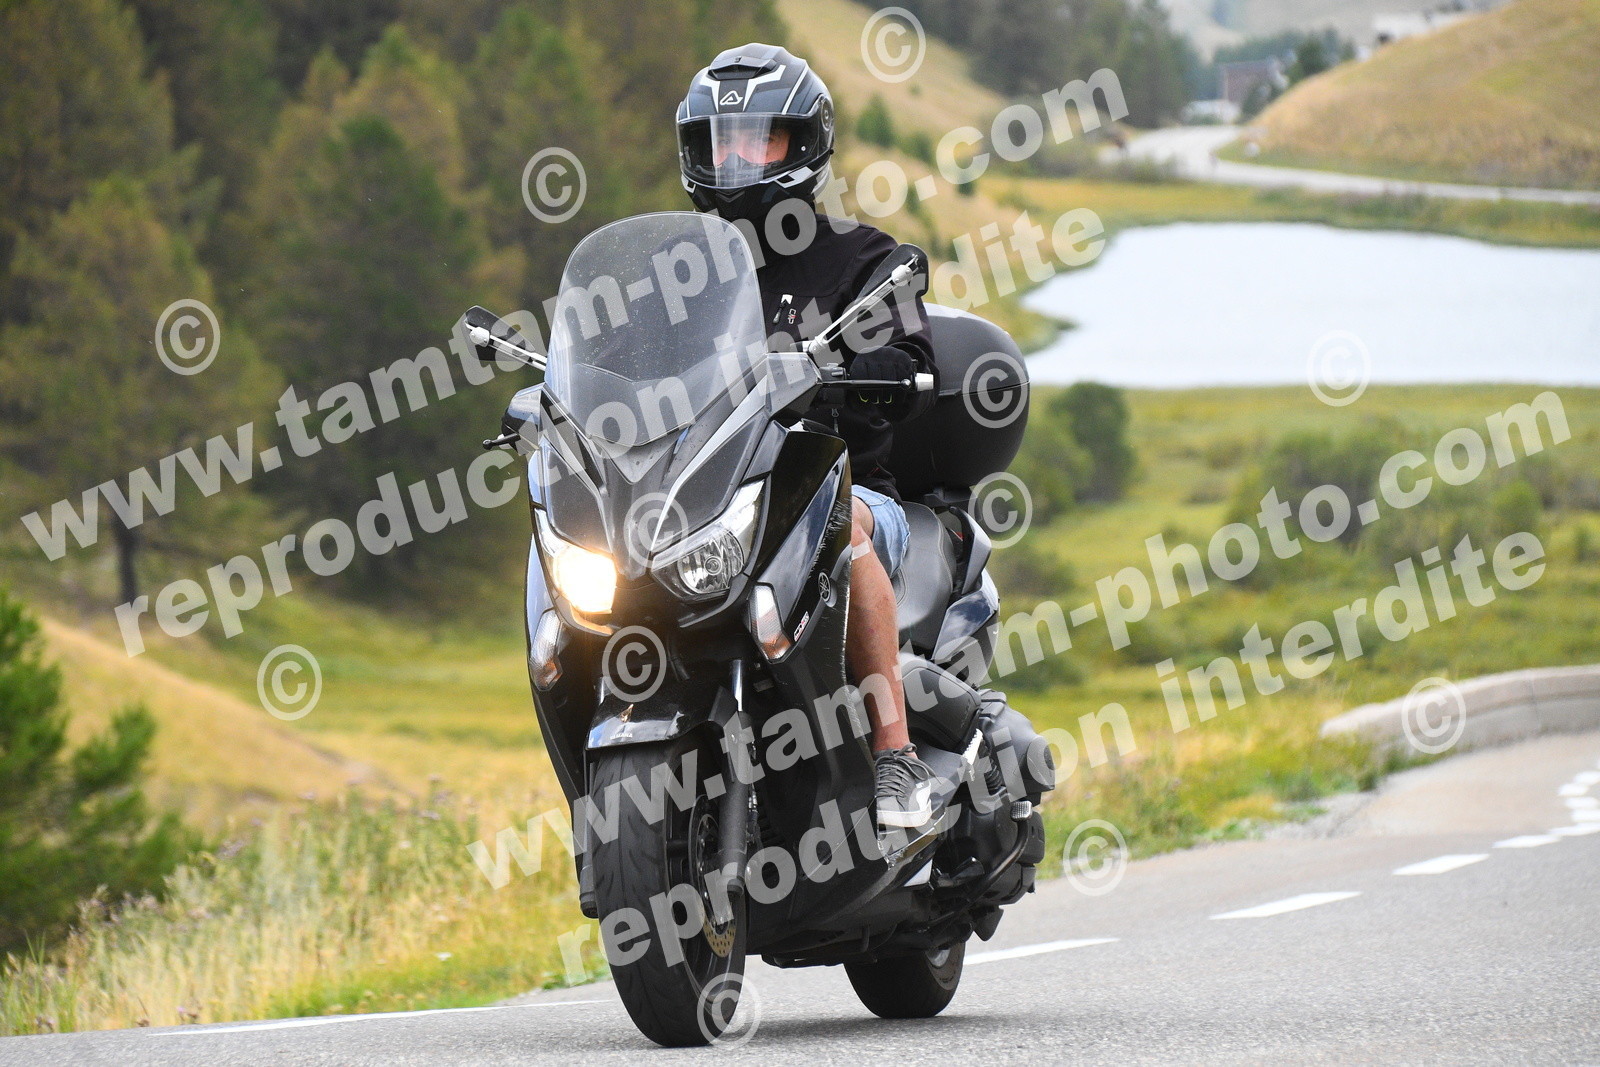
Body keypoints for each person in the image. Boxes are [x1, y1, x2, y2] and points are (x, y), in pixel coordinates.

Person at [676, 43, 938, 830]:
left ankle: (896, 754)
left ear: (806, 143)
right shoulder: (682, 279)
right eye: (722, 144)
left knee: (840, 523)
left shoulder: (863, 258)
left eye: (760, 142)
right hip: (712, 509)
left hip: (846, 492)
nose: (736, 163)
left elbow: (912, 355)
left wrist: (884, 368)